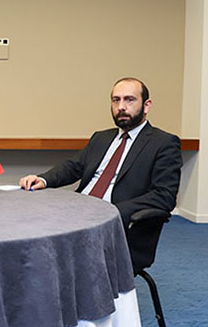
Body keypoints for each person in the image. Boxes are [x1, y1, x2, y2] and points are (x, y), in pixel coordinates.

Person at [19, 77, 182, 232]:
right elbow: (73, 167)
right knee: (28, 220)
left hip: (113, 220)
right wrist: (43, 179)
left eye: (129, 100)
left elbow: (164, 195)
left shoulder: (163, 143)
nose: (121, 107)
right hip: (78, 209)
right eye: (116, 100)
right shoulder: (101, 138)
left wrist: (111, 211)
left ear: (146, 106)